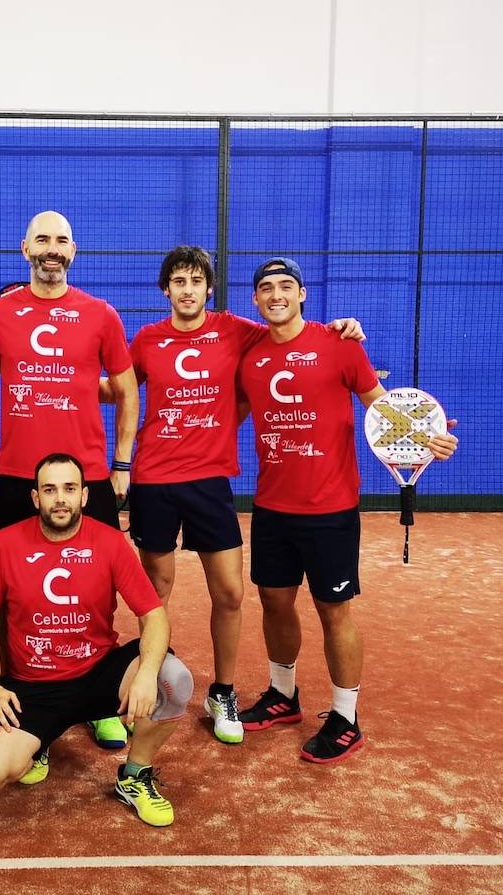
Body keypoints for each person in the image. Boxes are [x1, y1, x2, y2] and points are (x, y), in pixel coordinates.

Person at [125, 246, 363, 744]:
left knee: (232, 593)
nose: (187, 289)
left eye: (196, 281)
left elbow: (298, 335)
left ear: (210, 290)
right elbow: (121, 388)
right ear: (165, 289)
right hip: (159, 479)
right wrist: (73, 378)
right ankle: (156, 682)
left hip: (215, 482)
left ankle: (226, 691)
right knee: (158, 589)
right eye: (178, 281)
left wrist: (345, 327)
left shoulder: (242, 330)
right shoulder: (147, 339)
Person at [236, 256, 458, 763]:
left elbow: (382, 408)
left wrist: (430, 439)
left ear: (302, 294)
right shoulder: (249, 355)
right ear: (255, 299)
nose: (276, 295)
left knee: (333, 611)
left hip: (330, 510)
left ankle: (345, 717)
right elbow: (225, 415)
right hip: (271, 505)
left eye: (286, 286)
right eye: (266, 288)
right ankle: (282, 695)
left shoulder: (340, 344)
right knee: (273, 602)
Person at [0, 210, 138, 751]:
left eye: (61, 240)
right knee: (4, 596)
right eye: (42, 238)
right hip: (18, 476)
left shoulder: (101, 314)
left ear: (74, 250)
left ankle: (97, 698)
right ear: (24, 249)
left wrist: (121, 463)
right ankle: (16, 695)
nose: (52, 248)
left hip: (86, 477)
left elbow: (127, 390)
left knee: (96, 587)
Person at [0, 453, 193, 827]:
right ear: (35, 498)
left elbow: (153, 615)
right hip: (33, 688)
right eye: (50, 489)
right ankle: (38, 743)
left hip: (97, 674)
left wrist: (146, 672)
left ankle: (134, 775)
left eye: (69, 489)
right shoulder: (7, 544)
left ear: (84, 496)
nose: (60, 498)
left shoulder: (109, 542)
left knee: (175, 680)